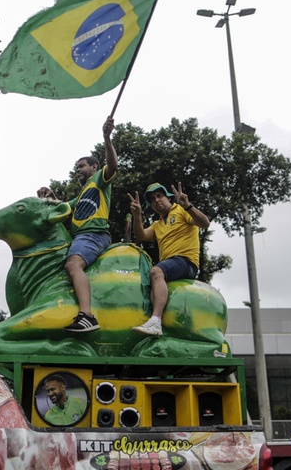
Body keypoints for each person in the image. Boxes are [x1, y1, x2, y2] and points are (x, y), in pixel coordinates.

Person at [37, 116, 117, 333]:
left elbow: (113, 166)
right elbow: (62, 208)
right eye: (77, 167)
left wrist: (107, 138)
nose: (78, 170)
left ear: (94, 166)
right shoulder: (81, 195)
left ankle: (87, 316)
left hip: (93, 235)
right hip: (79, 238)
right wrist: (49, 197)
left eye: (82, 166)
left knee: (73, 264)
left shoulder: (100, 180)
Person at [128, 182, 210, 335]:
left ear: (169, 197)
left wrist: (188, 206)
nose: (157, 200)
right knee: (149, 278)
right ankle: (155, 323)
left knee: (156, 271)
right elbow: (141, 236)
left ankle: (156, 320)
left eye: (160, 196)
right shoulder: (157, 224)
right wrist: (137, 216)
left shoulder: (181, 210)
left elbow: (205, 223)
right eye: (152, 199)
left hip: (186, 261)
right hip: (171, 265)